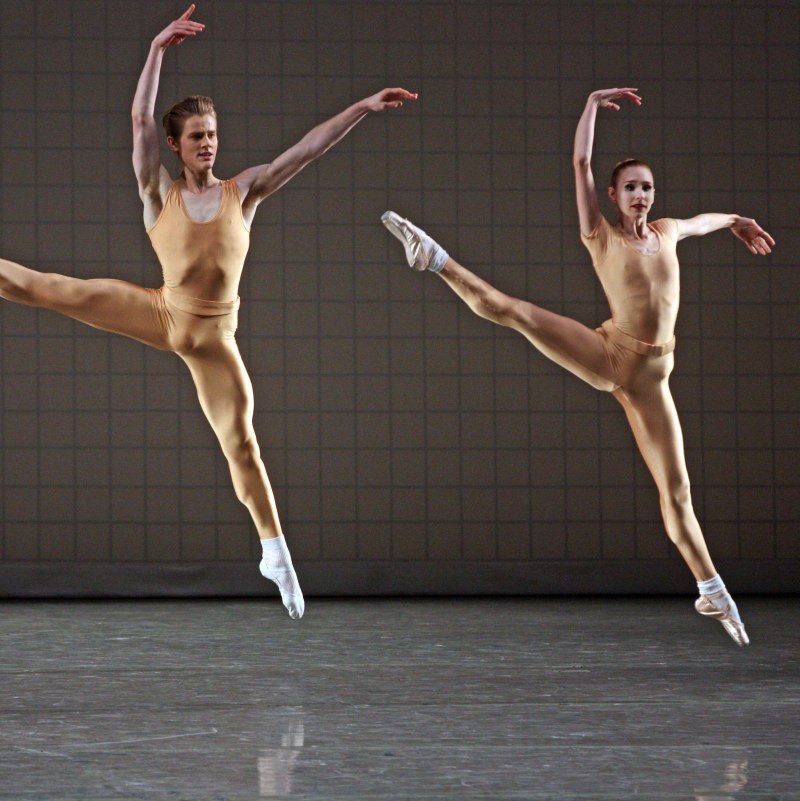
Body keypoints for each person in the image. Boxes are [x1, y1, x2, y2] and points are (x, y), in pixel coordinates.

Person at [0, 4, 416, 619]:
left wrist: (361, 107)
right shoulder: (157, 191)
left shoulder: (241, 191)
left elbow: (305, 152)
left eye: (213, 134)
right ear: (176, 145)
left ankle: (275, 552)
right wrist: (157, 50)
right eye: (196, 136)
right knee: (46, 287)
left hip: (214, 339)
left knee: (241, 445)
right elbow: (140, 116)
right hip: (162, 312)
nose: (207, 143)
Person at [382, 87, 775, 646]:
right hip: (613, 355)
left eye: (648, 187)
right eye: (632, 187)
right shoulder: (601, 235)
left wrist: (736, 219)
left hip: (653, 383)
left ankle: (712, 589)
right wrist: (591, 104)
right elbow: (581, 162)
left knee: (677, 492)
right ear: (614, 196)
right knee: (513, 311)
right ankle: (435, 258)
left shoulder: (666, 232)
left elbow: (702, 222)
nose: (641, 195)